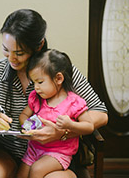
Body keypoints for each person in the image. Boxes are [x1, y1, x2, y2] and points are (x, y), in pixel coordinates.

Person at [0, 9, 108, 178]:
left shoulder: (59, 71)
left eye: (19, 53)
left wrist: (63, 131)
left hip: (52, 155)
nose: (11, 58)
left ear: (39, 45)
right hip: (4, 151)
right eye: (6, 50)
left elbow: (100, 114)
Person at [17, 49, 94, 178]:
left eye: (40, 82)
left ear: (58, 78)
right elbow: (24, 115)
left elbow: (89, 126)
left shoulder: (73, 102)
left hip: (58, 153)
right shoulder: (36, 98)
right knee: (21, 175)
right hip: (34, 149)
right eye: (34, 82)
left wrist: (70, 125)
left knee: (36, 170)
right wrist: (27, 125)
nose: (36, 87)